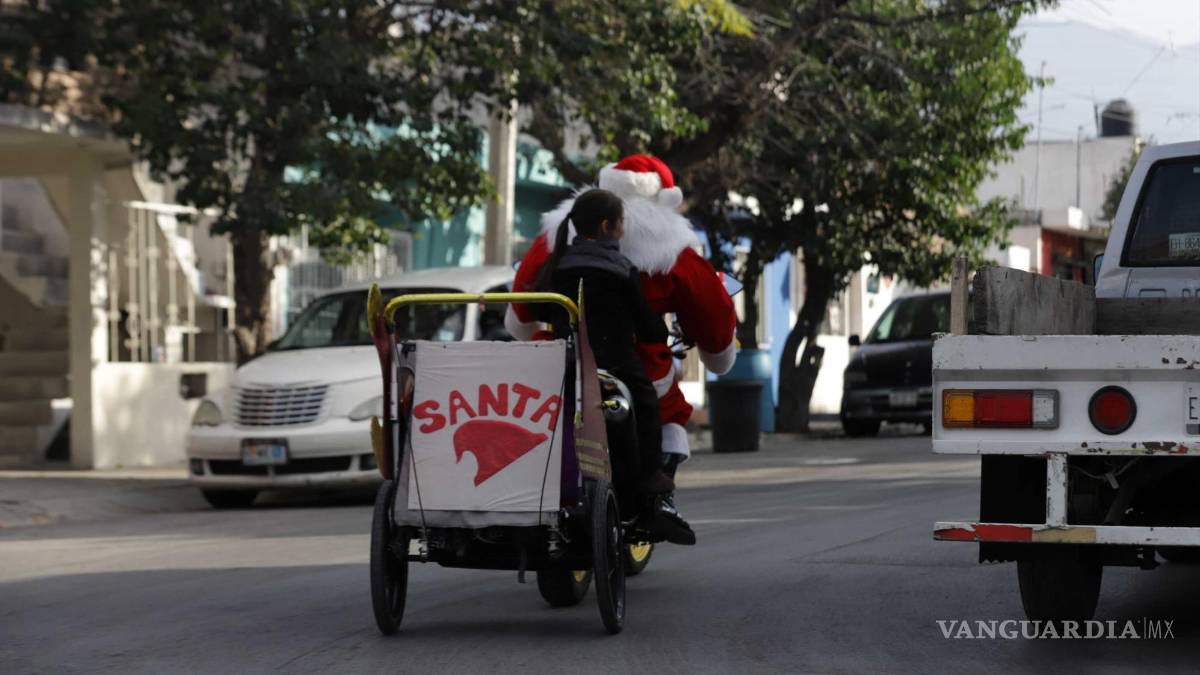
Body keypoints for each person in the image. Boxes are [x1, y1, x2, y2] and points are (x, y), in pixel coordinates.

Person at [508, 154, 738, 544]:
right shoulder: (662, 250)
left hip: (556, 363)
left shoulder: (555, 246)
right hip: (621, 361)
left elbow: (524, 305)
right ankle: (653, 494)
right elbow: (708, 310)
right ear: (610, 226)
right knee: (660, 407)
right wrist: (693, 342)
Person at [533, 189, 675, 498]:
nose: (623, 230)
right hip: (616, 364)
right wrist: (658, 332)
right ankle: (650, 478)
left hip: (564, 365)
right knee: (647, 401)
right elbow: (646, 324)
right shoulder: (620, 268)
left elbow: (538, 308)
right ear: (607, 226)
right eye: (621, 223)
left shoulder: (557, 265)